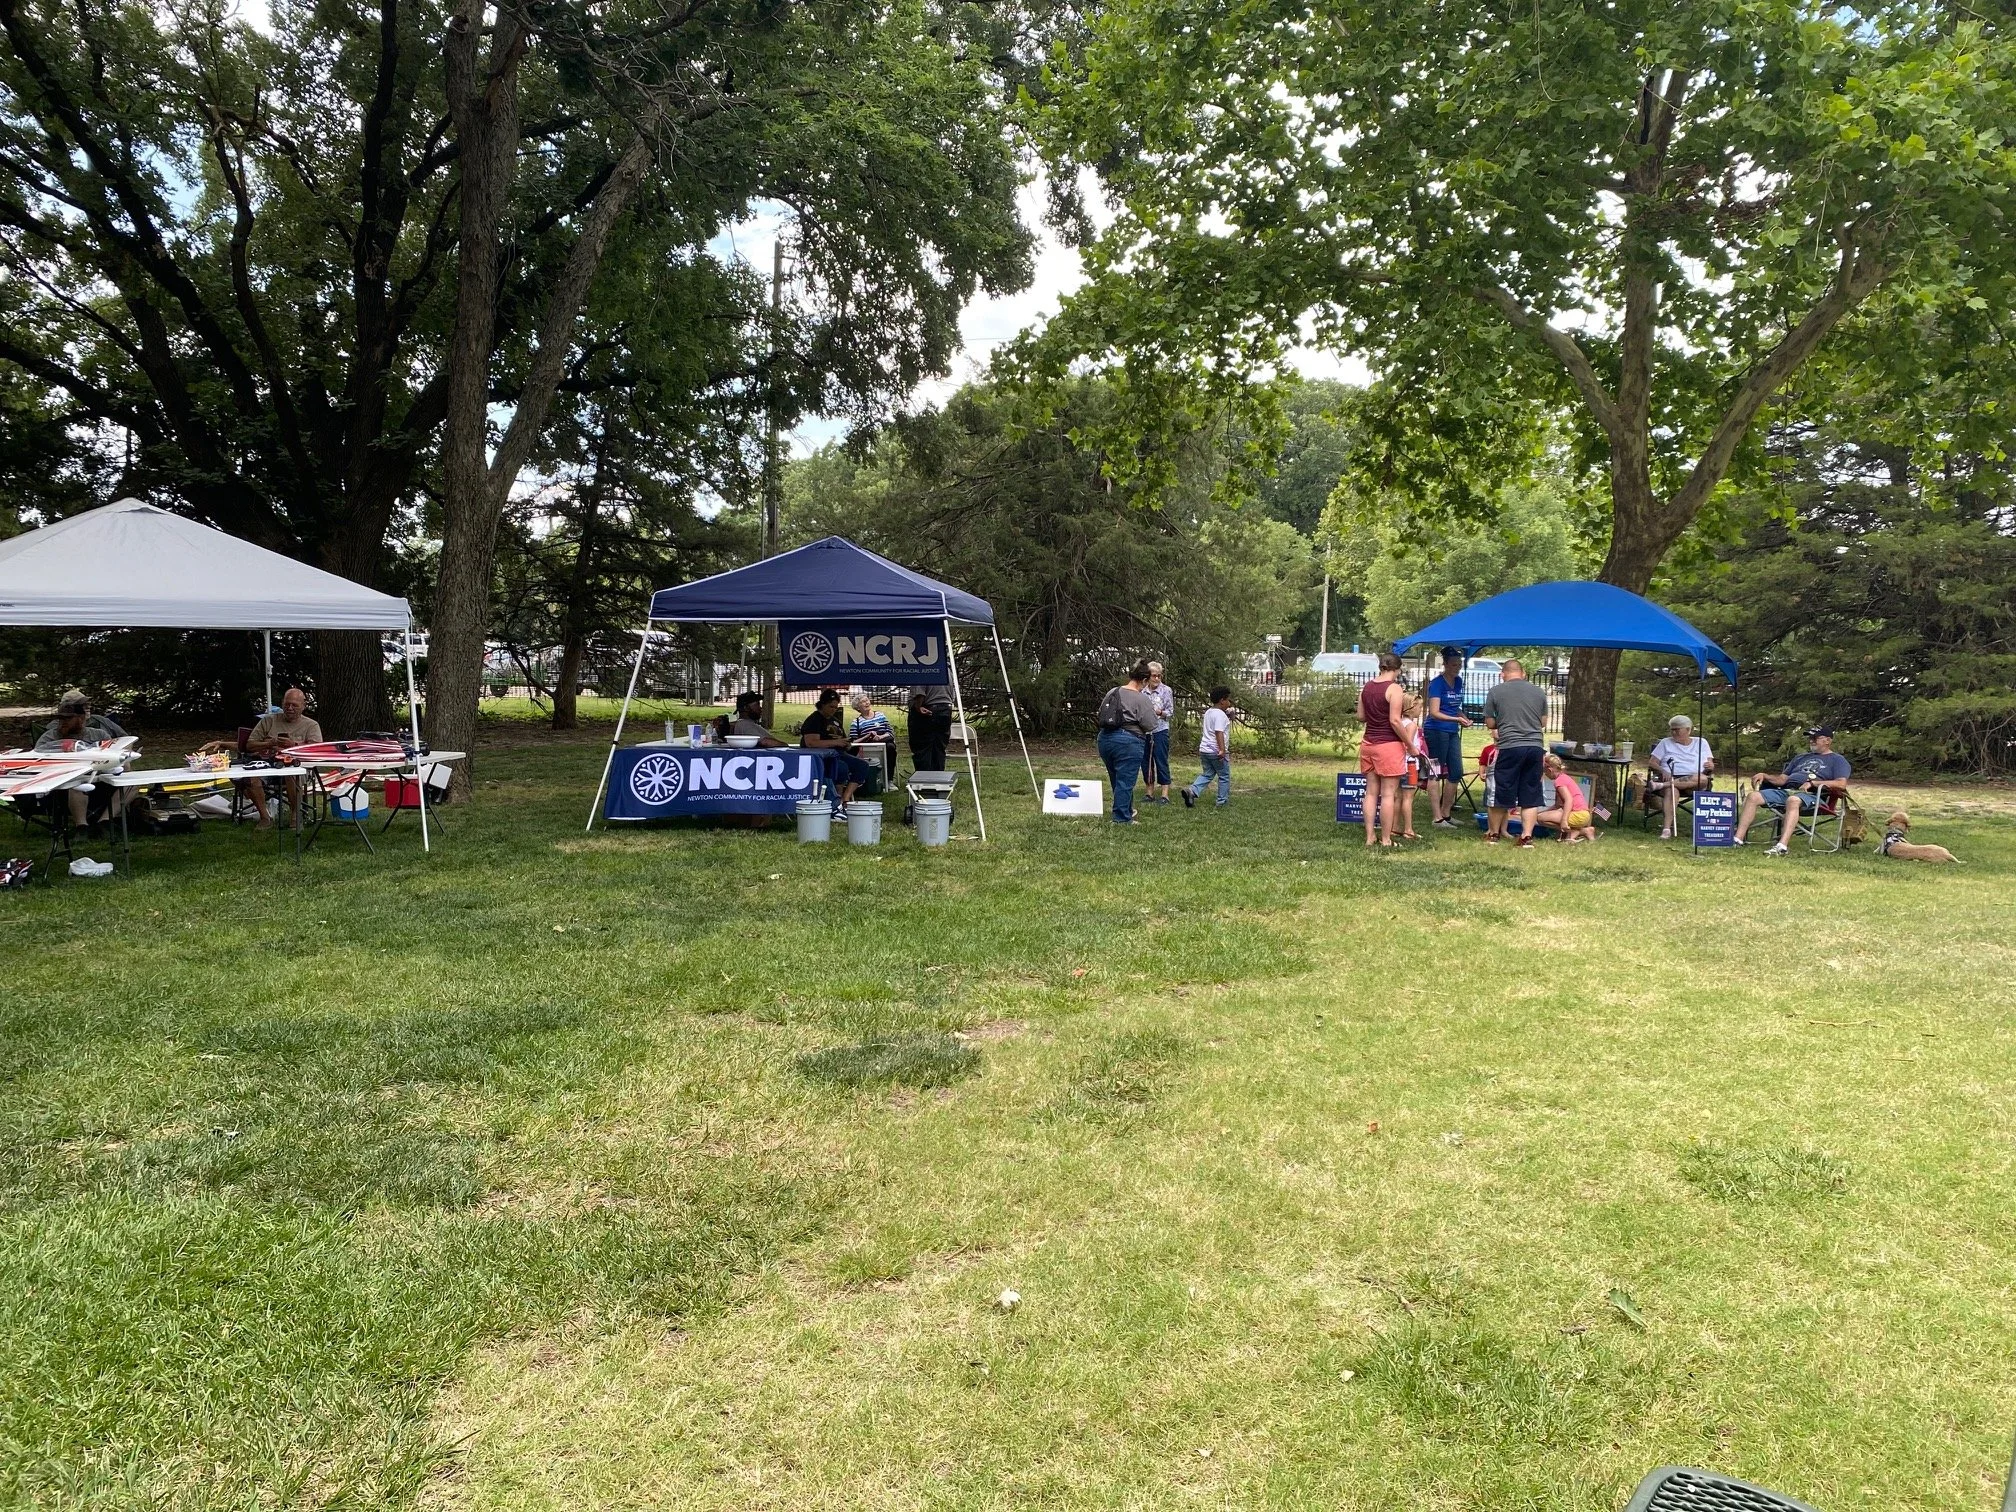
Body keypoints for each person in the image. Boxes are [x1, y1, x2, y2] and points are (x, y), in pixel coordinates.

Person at [1735, 724, 1851, 854]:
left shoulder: (1838, 760)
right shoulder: (1800, 758)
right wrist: (1765, 775)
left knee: (1793, 800)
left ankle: (1781, 846)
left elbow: (1841, 784)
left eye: (1816, 737)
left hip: (1814, 796)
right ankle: (1737, 839)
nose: (1811, 740)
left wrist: (1813, 783)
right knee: (1753, 796)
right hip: (1788, 790)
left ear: (1828, 741)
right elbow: (1782, 780)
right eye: (1810, 737)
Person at [33, 688, 129, 833]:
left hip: (101, 781)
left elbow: (115, 753)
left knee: (130, 777)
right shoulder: (49, 737)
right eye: (60, 718)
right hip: (64, 786)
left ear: (81, 718)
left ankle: (105, 821)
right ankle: (81, 827)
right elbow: (37, 761)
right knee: (77, 781)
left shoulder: (99, 734)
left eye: (67, 718)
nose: (62, 722)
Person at [1482, 657, 1548, 847]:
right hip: (1535, 746)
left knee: (1502, 789)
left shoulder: (1496, 691)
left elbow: (1490, 723)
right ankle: (1526, 837)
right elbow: (1543, 723)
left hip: (1510, 745)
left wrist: (1502, 720)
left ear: (1502, 674)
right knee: (1530, 794)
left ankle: (1493, 834)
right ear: (1524, 673)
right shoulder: (1538, 691)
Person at [239, 686, 323, 831]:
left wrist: (294, 745)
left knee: (291, 774)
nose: (289, 708)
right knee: (251, 778)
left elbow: (317, 749)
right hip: (267, 763)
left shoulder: (311, 725)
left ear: (303, 706)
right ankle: (265, 817)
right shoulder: (269, 721)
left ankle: (295, 816)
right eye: (286, 704)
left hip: (297, 765)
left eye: (294, 705)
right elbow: (249, 745)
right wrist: (270, 743)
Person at [1094, 660, 1160, 824]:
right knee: (1126, 780)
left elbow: (1101, 712)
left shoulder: (1112, 692)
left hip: (1105, 738)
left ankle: (1127, 810)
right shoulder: (1141, 699)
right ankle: (1121, 819)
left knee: (1116, 778)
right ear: (1144, 681)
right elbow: (1151, 724)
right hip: (1128, 741)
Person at [1357, 651, 1409, 848]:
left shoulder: (1367, 686)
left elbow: (1361, 716)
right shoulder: (1394, 688)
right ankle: (1386, 839)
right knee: (1388, 794)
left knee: (1371, 792)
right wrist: (1410, 745)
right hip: (1388, 744)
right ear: (1397, 668)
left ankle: (1370, 836)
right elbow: (1395, 720)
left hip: (1368, 743)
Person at [800, 689, 876, 805]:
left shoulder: (835, 721)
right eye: (831, 707)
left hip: (840, 753)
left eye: (836, 707)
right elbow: (811, 743)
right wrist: (836, 743)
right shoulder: (814, 720)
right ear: (822, 704)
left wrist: (846, 743)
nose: (834, 710)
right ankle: (836, 800)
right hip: (821, 757)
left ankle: (845, 798)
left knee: (862, 766)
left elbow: (842, 739)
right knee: (841, 768)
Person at [1423, 647, 1472, 828]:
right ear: (1445, 664)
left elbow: (1454, 706)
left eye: (1459, 665)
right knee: (1435, 771)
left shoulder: (1459, 682)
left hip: (1452, 730)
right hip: (1436, 730)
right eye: (1453, 664)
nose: (1457, 668)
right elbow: (1435, 712)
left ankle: (1446, 812)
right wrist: (1456, 719)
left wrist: (1463, 717)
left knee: (1456, 771)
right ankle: (1437, 817)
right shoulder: (1437, 684)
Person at [1647, 713, 1715, 840]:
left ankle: (1662, 785)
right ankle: (1667, 829)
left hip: (1696, 780)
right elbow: (1652, 762)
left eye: (1677, 730)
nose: (1674, 733)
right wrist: (1663, 771)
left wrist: (1710, 765)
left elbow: (1710, 763)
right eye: (1672, 729)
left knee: (1703, 778)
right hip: (1671, 776)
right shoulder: (1665, 743)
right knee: (1671, 791)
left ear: (1688, 730)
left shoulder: (1701, 742)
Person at [1182, 686, 1234, 808]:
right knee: (1224, 775)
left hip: (1205, 749)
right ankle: (1222, 801)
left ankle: (1192, 791)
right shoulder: (1220, 716)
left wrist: (1229, 715)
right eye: (1228, 700)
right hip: (1216, 751)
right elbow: (1218, 732)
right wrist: (1222, 750)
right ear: (1222, 700)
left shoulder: (1209, 712)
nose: (1229, 703)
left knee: (1208, 773)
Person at [1539, 753, 1597, 843]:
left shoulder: (1559, 781)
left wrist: (1564, 820)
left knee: (1540, 819)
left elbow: (1569, 800)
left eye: (1545, 771)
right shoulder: (1564, 778)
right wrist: (1541, 812)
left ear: (1549, 770)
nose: (1545, 774)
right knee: (1540, 816)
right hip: (1583, 814)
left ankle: (1579, 831)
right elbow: (1557, 805)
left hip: (1578, 815)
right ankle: (1582, 831)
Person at [1143, 662, 1176, 805]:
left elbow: (1170, 712)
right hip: (1145, 731)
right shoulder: (1142, 691)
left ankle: (1165, 794)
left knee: (1161, 761)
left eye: (1159, 676)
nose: (1156, 679)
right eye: (1153, 676)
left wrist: (1160, 712)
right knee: (1146, 762)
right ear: (1148, 676)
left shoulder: (1166, 690)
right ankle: (1149, 792)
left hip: (1160, 730)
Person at [847, 692, 897, 784]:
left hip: (884, 742)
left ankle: (889, 780)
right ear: (858, 708)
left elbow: (890, 732)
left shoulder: (880, 715)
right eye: (863, 702)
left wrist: (880, 737)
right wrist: (867, 736)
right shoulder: (856, 722)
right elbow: (853, 741)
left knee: (890, 747)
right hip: (867, 746)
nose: (866, 703)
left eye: (867, 700)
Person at [906, 686, 954, 775]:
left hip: (927, 710)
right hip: (945, 709)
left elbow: (920, 690)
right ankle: (938, 779)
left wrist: (918, 706)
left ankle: (924, 781)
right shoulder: (948, 671)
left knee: (922, 748)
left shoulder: (923, 671)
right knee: (939, 748)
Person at [713, 691, 786, 746]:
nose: (760, 708)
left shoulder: (744, 724)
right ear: (746, 708)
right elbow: (765, 742)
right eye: (757, 704)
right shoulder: (744, 724)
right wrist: (785, 746)